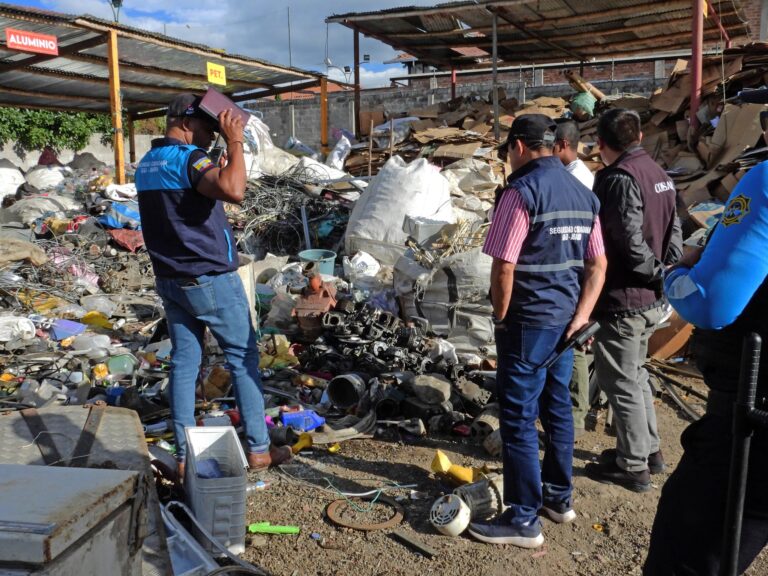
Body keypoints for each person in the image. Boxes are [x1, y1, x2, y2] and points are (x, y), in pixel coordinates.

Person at [134, 93, 291, 475]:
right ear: (187, 122)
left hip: (171, 279)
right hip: (208, 279)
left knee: (186, 363)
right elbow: (235, 190)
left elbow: (187, 204)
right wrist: (235, 141)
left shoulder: (147, 163)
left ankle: (186, 455)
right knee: (243, 359)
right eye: (208, 129)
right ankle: (257, 449)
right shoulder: (190, 158)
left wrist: (218, 163)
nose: (210, 138)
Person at [468, 114, 606, 548]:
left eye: (508, 151)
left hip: (527, 321)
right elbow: (598, 264)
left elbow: (504, 266)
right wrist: (582, 316)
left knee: (518, 417)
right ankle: (558, 500)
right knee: (557, 407)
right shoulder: (583, 193)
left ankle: (524, 519)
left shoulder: (520, 192)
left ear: (519, 148)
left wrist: (502, 317)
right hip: (566, 322)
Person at [644, 98, 768, 575]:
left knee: (687, 557)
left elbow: (712, 305)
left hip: (752, 428)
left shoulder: (763, 181)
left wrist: (677, 276)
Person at [584, 108, 682, 492]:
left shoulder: (617, 178)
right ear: (640, 136)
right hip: (652, 297)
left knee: (620, 380)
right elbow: (675, 227)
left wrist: (654, 271)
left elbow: (625, 240)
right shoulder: (659, 174)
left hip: (626, 297)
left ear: (602, 144)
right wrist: (666, 271)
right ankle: (649, 450)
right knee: (636, 375)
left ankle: (633, 464)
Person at [553, 120, 594, 437]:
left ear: (563, 144)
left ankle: (576, 415)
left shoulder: (578, 179)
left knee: (575, 344)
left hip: (577, 271)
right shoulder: (571, 175)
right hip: (573, 270)